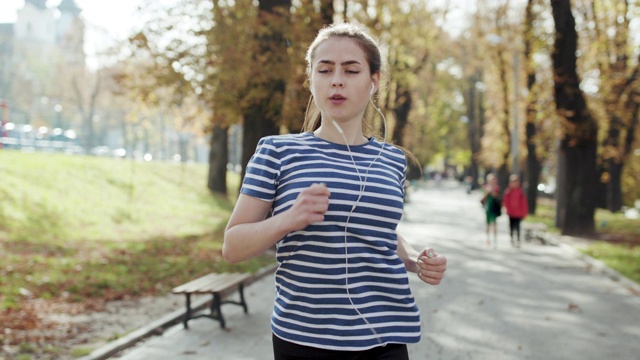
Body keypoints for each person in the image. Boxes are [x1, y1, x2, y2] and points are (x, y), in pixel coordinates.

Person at [223, 22, 447, 360]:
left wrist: (415, 259)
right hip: (304, 339)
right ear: (311, 80)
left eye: (351, 70)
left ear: (374, 81)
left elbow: (378, 231)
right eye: (324, 70)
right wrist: (288, 219)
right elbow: (232, 246)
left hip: (384, 337)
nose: (336, 80)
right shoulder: (277, 152)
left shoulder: (391, 160)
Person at [502, 174, 528, 248]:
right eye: (513, 182)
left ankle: (518, 240)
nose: (514, 183)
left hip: (518, 213)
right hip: (511, 213)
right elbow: (505, 202)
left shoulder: (521, 192)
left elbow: (524, 203)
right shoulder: (508, 192)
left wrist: (524, 213)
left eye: (516, 181)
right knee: (511, 227)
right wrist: (507, 210)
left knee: (518, 227)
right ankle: (512, 239)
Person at [481, 173, 501, 247]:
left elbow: (496, 196)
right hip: (487, 208)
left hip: (494, 208)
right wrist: (487, 192)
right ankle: (488, 238)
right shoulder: (485, 187)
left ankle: (495, 239)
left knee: (494, 223)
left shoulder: (496, 188)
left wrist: (491, 190)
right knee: (488, 224)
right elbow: (483, 198)